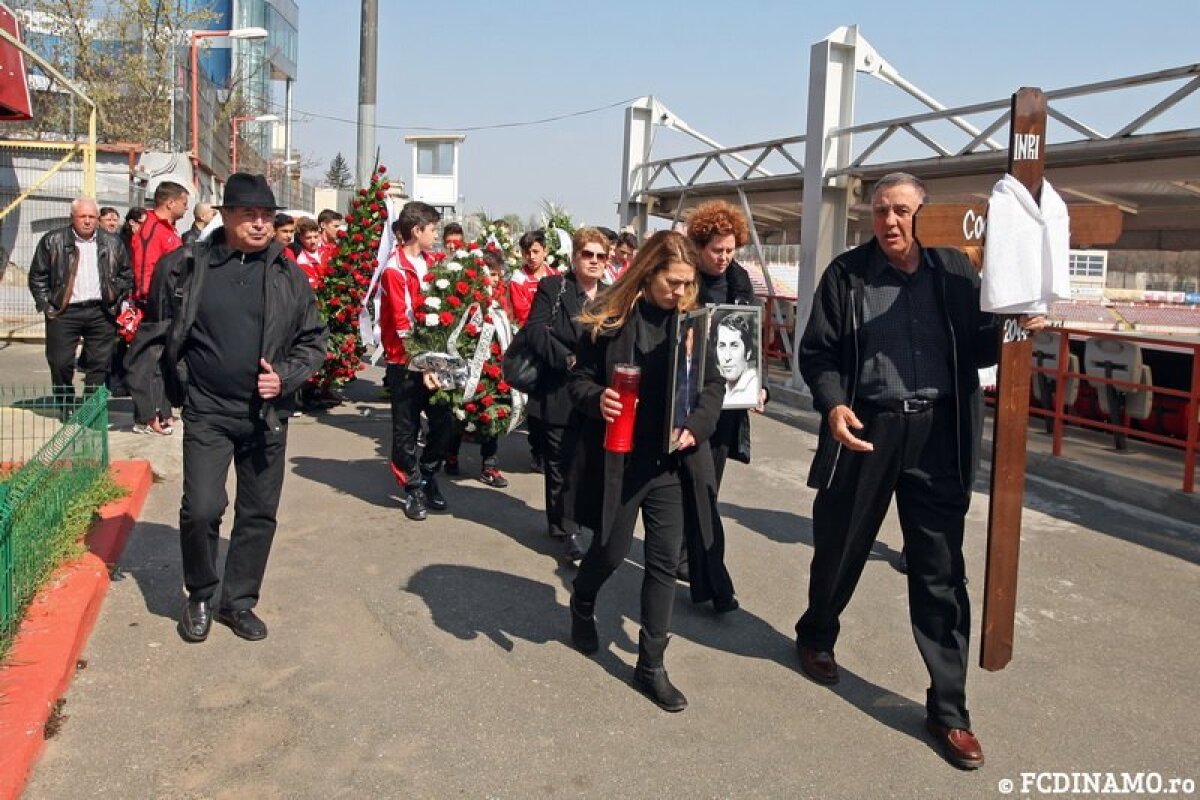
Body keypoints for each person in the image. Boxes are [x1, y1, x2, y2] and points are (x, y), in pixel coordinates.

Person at [793, 171, 1044, 769]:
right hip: (868, 432)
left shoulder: (955, 272)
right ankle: (817, 633)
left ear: (923, 216)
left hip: (939, 435)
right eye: (881, 210)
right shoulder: (846, 276)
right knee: (841, 544)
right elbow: (818, 353)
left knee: (939, 570)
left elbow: (982, 345)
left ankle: (949, 711)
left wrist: (1016, 324)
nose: (890, 221)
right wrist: (833, 404)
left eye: (902, 210)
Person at [128, 173, 326, 643]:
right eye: (248, 215)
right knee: (201, 507)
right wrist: (152, 400)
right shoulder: (186, 267)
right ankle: (199, 593)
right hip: (207, 410)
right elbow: (154, 336)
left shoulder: (288, 275)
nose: (259, 225)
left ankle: (237, 602)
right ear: (225, 214)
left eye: (267, 216)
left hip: (266, 415)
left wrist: (288, 376)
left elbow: (314, 341)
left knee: (258, 512)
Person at [566, 231, 732, 713]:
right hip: (619, 459)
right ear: (648, 272)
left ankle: (651, 665)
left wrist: (696, 429)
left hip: (671, 463)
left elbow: (715, 388)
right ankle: (582, 600)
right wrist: (598, 398)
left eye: (687, 283)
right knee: (612, 551)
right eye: (672, 282)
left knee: (663, 564)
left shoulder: (696, 326)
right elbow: (576, 381)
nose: (680, 292)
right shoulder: (610, 321)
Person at [523, 227, 608, 561]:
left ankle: (572, 520)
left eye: (601, 256)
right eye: (588, 254)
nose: (594, 261)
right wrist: (567, 358)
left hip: (597, 394)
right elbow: (534, 330)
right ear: (575, 258)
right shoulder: (554, 287)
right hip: (559, 389)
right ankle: (567, 529)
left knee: (587, 463)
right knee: (561, 462)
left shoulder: (613, 294)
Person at [378, 202, 455, 521]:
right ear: (416, 231)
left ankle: (427, 474)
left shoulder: (436, 263)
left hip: (436, 361)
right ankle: (412, 488)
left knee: (446, 423)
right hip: (406, 362)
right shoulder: (394, 270)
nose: (436, 235)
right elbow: (403, 322)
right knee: (406, 429)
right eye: (433, 229)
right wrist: (423, 366)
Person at [28, 197, 132, 412]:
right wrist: (46, 305)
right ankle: (65, 403)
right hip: (64, 311)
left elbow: (126, 274)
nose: (87, 221)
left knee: (99, 364)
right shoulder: (52, 240)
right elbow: (37, 276)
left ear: (98, 219)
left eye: (92, 217)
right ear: (72, 218)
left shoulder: (112, 243)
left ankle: (90, 408)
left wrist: (116, 299)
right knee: (60, 362)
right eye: (82, 216)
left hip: (101, 311)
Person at [445, 249, 510, 488]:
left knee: (491, 415)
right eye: (492, 275)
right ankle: (451, 455)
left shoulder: (500, 299)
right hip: (469, 367)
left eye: (498, 275)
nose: (496, 280)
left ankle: (489, 465)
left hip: (493, 366)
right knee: (460, 414)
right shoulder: (470, 302)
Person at [127, 181, 188, 435]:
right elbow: (145, 270)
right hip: (157, 306)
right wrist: (150, 302)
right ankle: (147, 416)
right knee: (149, 362)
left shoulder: (169, 229)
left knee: (165, 360)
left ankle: (163, 411)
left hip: (171, 304)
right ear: (170, 202)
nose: (186, 208)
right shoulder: (151, 229)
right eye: (184, 202)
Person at [509, 229, 559, 473]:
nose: (531, 256)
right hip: (532, 348)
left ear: (545, 252)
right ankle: (537, 451)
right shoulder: (518, 279)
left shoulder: (556, 276)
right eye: (527, 252)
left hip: (555, 347)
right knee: (536, 404)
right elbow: (523, 315)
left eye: (536, 251)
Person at [713, 311, 759, 406]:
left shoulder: (752, 386)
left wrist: (763, 389)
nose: (727, 357)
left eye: (734, 346)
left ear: (748, 353)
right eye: (722, 346)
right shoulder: (714, 381)